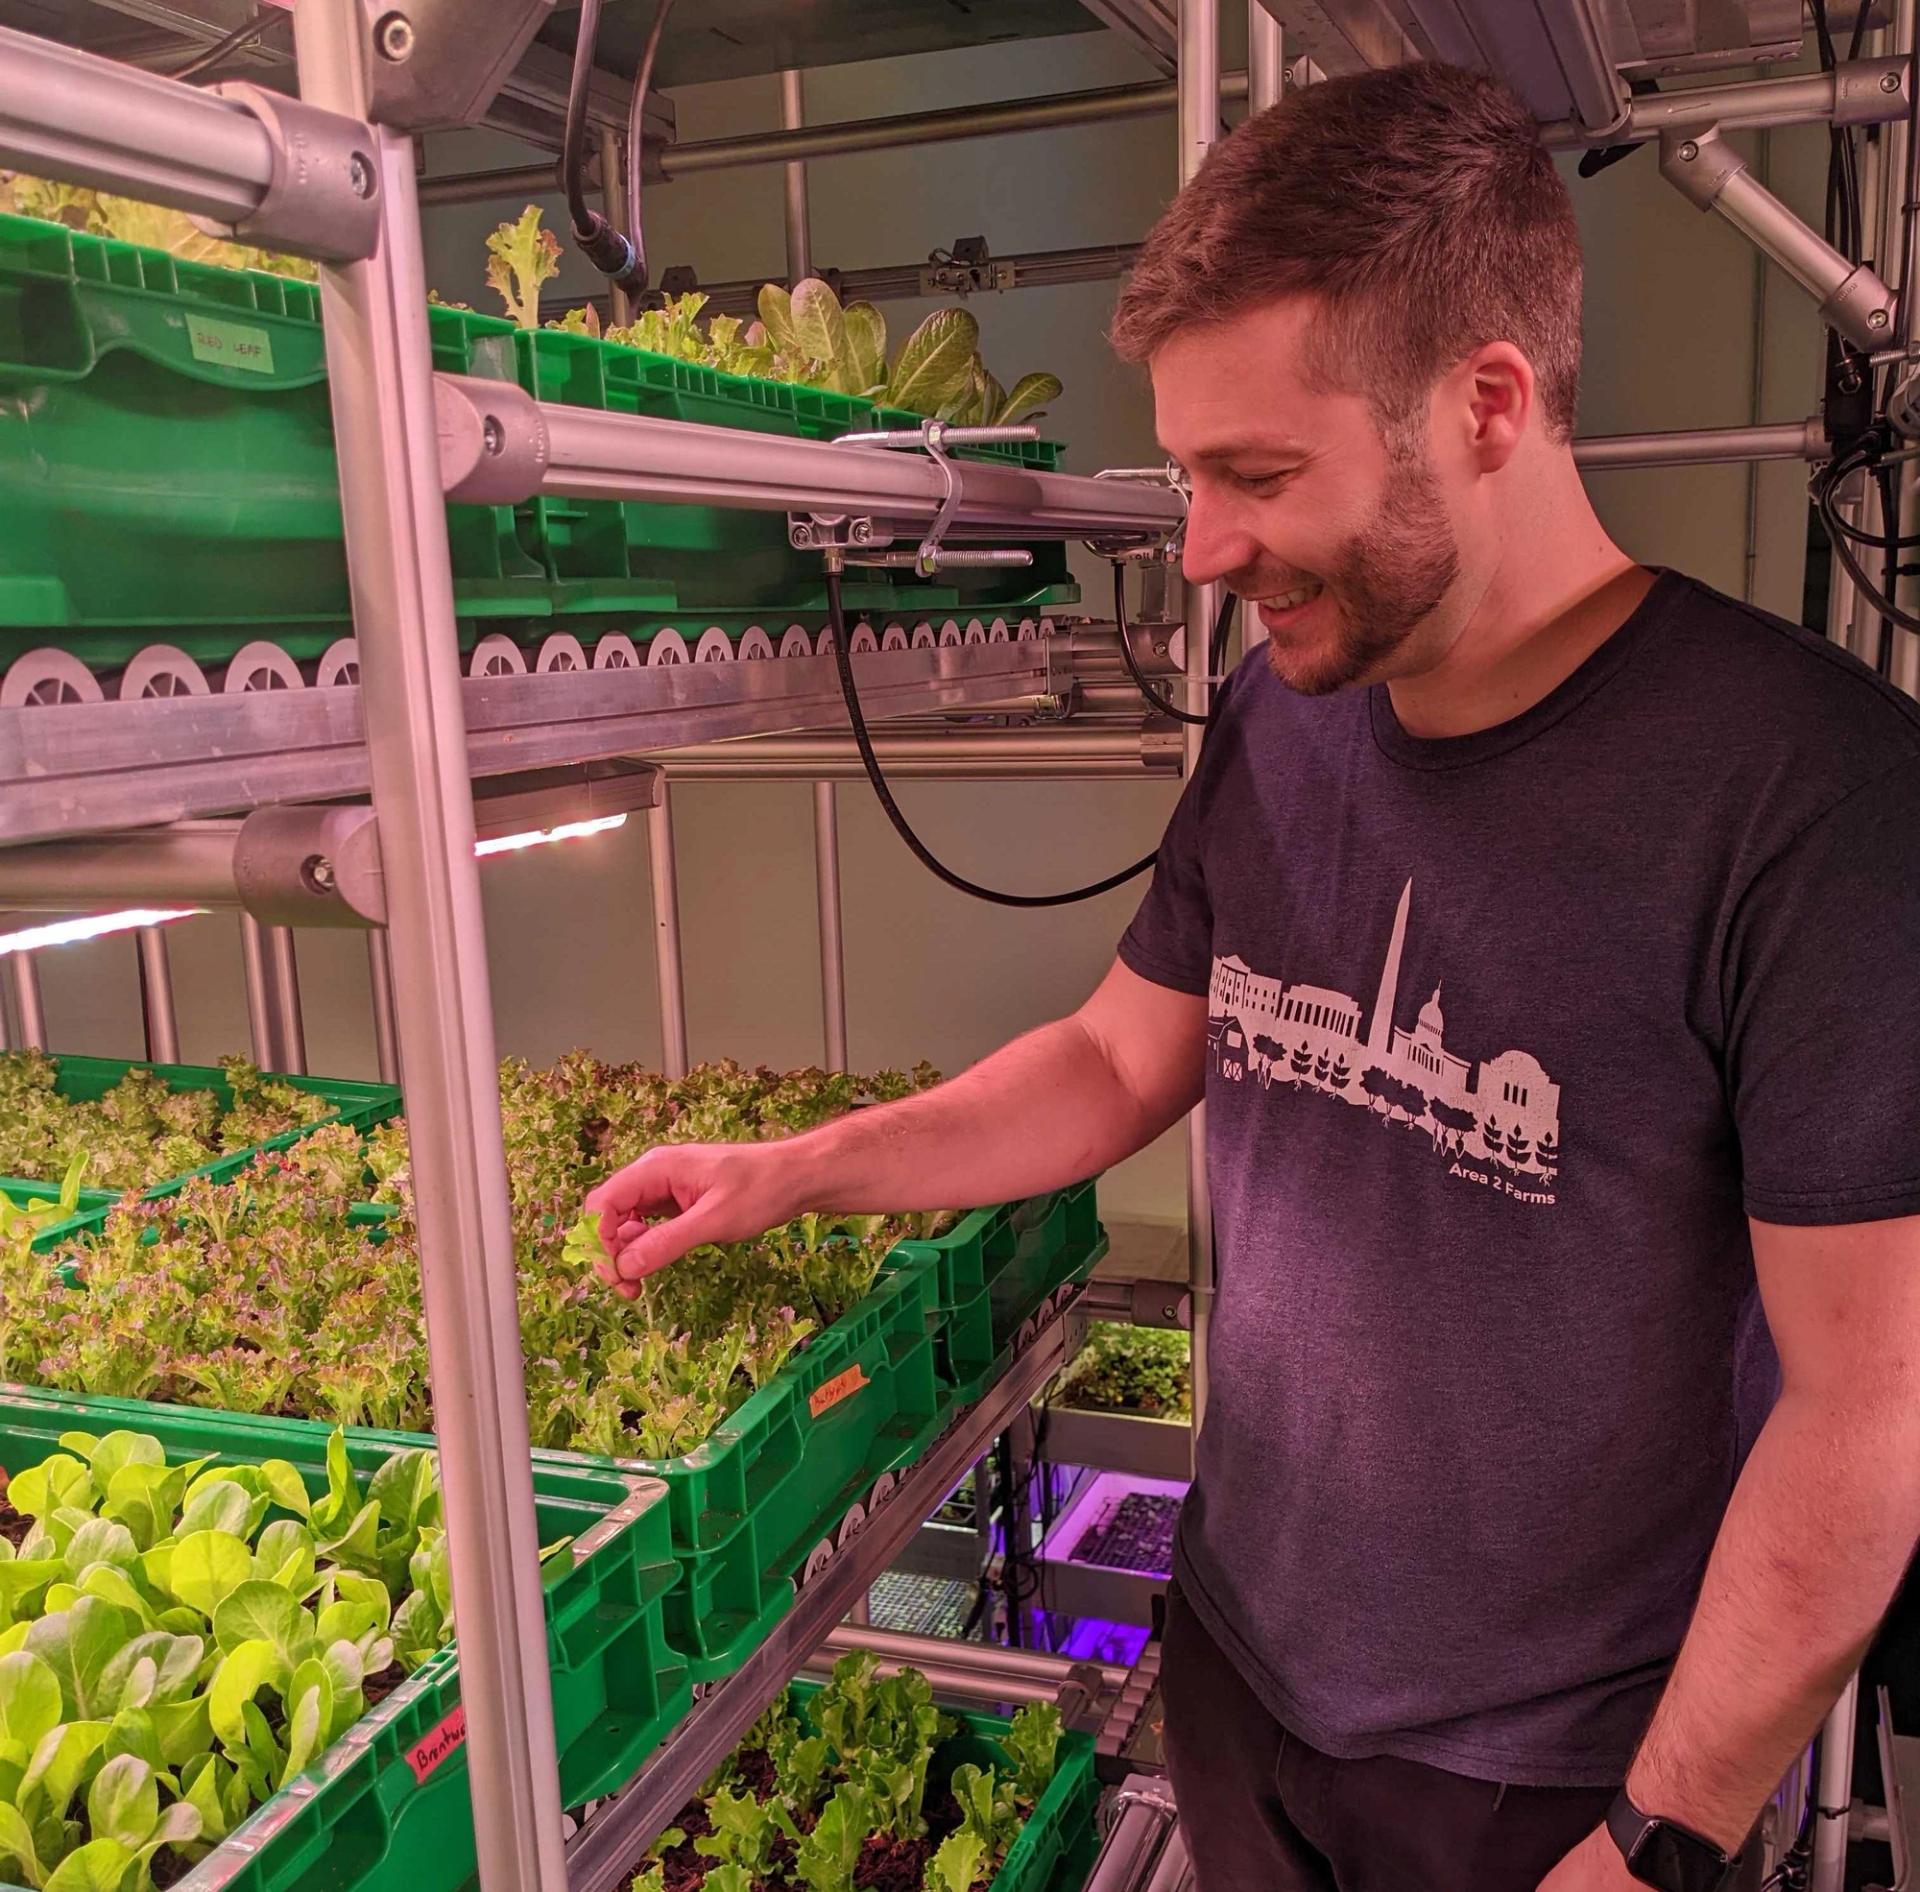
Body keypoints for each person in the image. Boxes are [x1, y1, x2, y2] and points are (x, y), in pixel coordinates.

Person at [583, 60, 1920, 1892]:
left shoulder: (1806, 798)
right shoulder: (1286, 723)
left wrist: (1658, 1837)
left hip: (1553, 1779)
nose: (1204, 551)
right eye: (1189, 473)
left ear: (1490, 406)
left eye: (1258, 475)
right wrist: (804, 1165)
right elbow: (1118, 1062)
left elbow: (1873, 1409)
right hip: (1239, 1667)